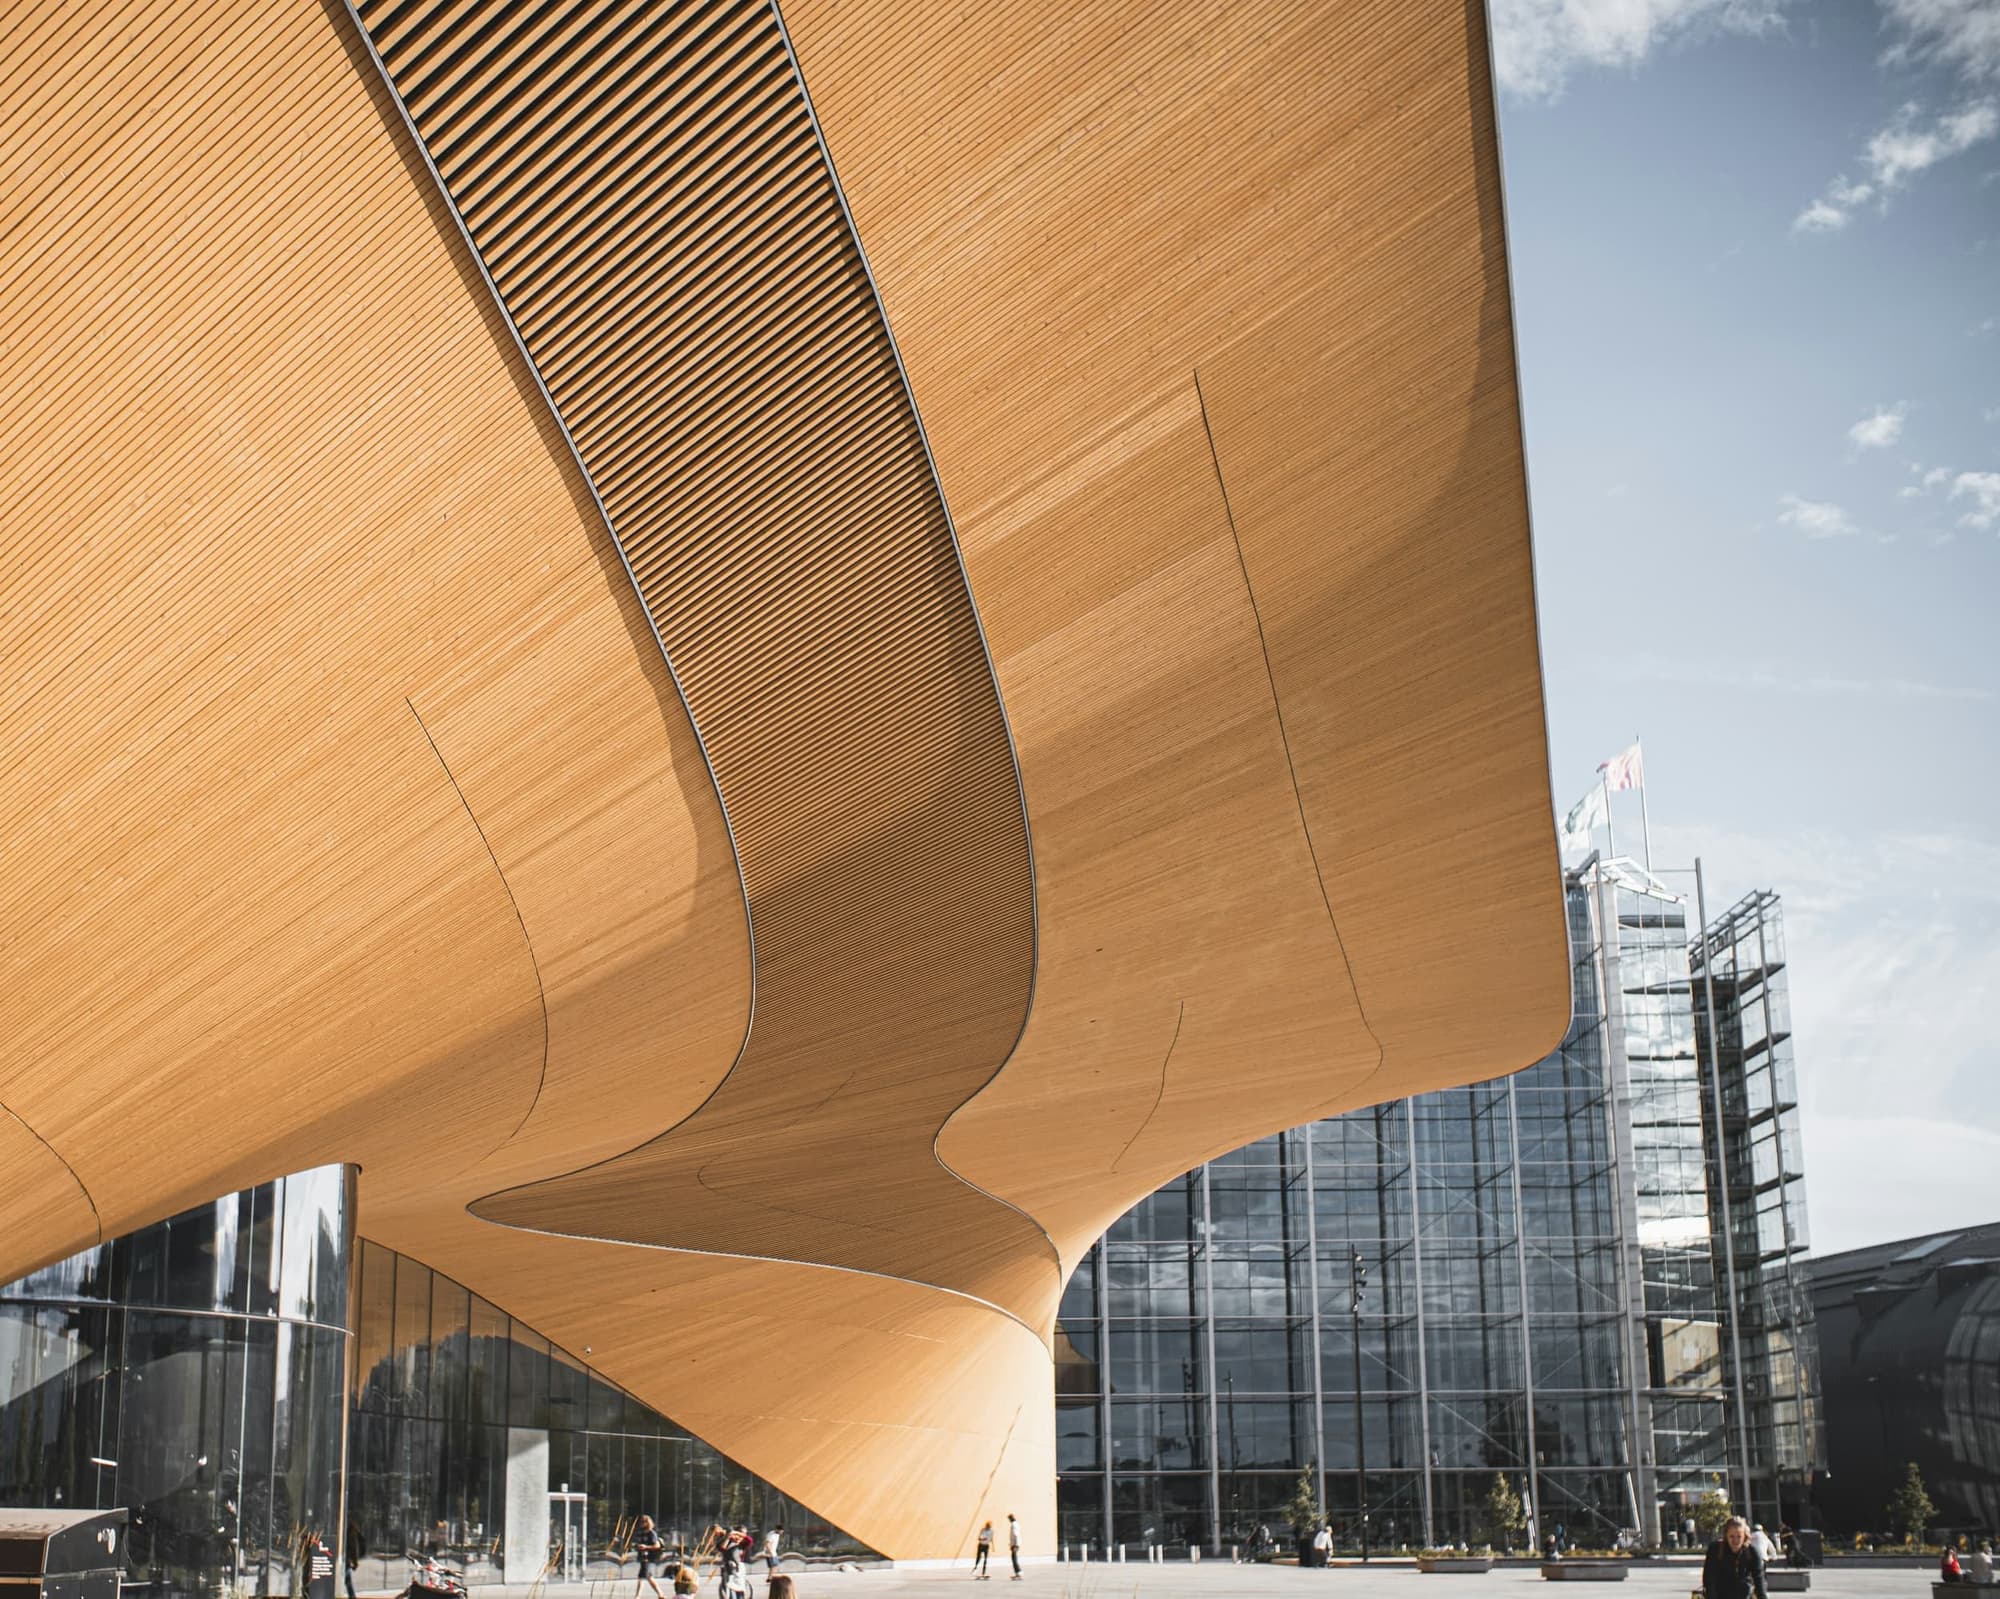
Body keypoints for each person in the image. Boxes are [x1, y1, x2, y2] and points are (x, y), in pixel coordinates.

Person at [1703, 1516, 1769, 1599]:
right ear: (1726, 1535)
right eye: (1731, 1536)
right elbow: (1709, 1578)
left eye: (1739, 1536)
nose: (1735, 1541)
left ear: (1745, 1536)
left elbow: (1759, 1580)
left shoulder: (1752, 1552)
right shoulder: (1715, 1550)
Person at [631, 1516, 667, 1599]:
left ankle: (637, 1596)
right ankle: (660, 1594)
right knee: (648, 1577)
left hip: (648, 1557)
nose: (642, 1523)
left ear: (648, 1522)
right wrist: (637, 1546)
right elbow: (636, 1543)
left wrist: (646, 1547)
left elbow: (657, 1545)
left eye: (644, 1521)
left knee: (641, 1576)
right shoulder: (640, 1533)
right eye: (641, 1521)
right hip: (642, 1557)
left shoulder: (651, 1533)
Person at [344, 1517, 363, 1599]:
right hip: (346, 1559)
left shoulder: (351, 1533)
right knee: (348, 1580)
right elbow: (354, 1549)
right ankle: (352, 1596)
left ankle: (352, 1596)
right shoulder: (351, 1532)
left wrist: (355, 1562)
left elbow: (354, 1549)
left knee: (347, 1580)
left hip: (346, 1560)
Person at [1006, 1514, 1021, 1581]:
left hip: (1015, 1545)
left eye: (1009, 1519)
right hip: (1015, 1544)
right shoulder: (1016, 1524)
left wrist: (1015, 1545)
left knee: (1014, 1559)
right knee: (1014, 1559)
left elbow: (1016, 1535)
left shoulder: (1014, 1524)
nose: (1009, 1520)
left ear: (1011, 1518)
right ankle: (1017, 1573)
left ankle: (1019, 1573)